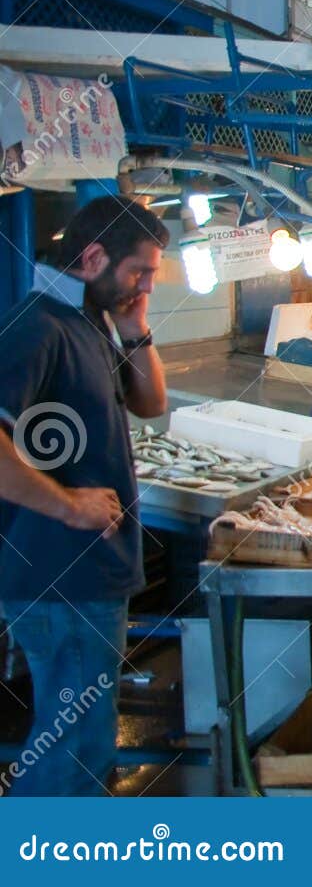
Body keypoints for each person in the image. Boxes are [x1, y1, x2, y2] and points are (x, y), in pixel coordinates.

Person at [0, 197, 170, 796]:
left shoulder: (92, 319)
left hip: (93, 578)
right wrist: (70, 506)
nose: (146, 285)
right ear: (93, 255)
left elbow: (153, 406)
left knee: (85, 746)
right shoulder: (35, 327)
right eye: (139, 273)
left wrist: (135, 325)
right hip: (59, 580)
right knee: (70, 755)